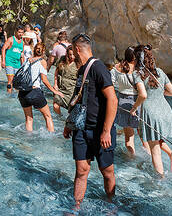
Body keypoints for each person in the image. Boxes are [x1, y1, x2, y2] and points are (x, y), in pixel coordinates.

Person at [63, 33, 118, 210]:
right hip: (81, 129)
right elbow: (77, 98)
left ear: (77, 49)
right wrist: (68, 122)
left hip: (100, 130)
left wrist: (106, 130)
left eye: (73, 51)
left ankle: (110, 205)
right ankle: (76, 207)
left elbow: (113, 99)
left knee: (107, 172)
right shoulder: (81, 71)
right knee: (81, 171)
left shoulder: (99, 68)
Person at [135, 45, 172, 176]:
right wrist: (158, 93)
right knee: (156, 139)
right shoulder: (160, 71)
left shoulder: (138, 74)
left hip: (150, 113)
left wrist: (133, 109)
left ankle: (160, 180)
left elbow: (142, 95)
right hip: (165, 111)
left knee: (155, 151)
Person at [17, 43, 64, 132]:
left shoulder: (27, 60)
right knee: (48, 116)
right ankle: (52, 140)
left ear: (34, 50)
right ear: (43, 52)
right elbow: (44, 80)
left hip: (22, 93)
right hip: (34, 92)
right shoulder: (42, 62)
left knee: (29, 118)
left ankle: (28, 138)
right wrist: (55, 91)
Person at [111, 47, 148, 156]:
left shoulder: (116, 68)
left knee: (128, 137)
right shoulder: (139, 70)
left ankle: (132, 157)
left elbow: (110, 84)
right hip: (138, 103)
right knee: (143, 136)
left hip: (123, 102)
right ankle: (149, 159)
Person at [52, 47, 78, 115]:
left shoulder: (78, 63)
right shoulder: (62, 59)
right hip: (61, 89)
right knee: (55, 104)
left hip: (71, 91)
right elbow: (56, 72)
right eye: (70, 54)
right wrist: (55, 84)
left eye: (73, 54)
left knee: (71, 111)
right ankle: (59, 118)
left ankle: (66, 123)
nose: (72, 57)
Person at [1, 28, 24, 94]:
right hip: (9, 62)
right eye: (19, 32)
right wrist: (3, 61)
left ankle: (16, 96)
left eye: (22, 32)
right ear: (16, 32)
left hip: (17, 64)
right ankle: (9, 96)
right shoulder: (11, 39)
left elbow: (22, 54)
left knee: (17, 82)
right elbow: (3, 49)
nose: (20, 34)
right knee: (10, 81)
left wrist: (23, 65)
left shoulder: (22, 42)